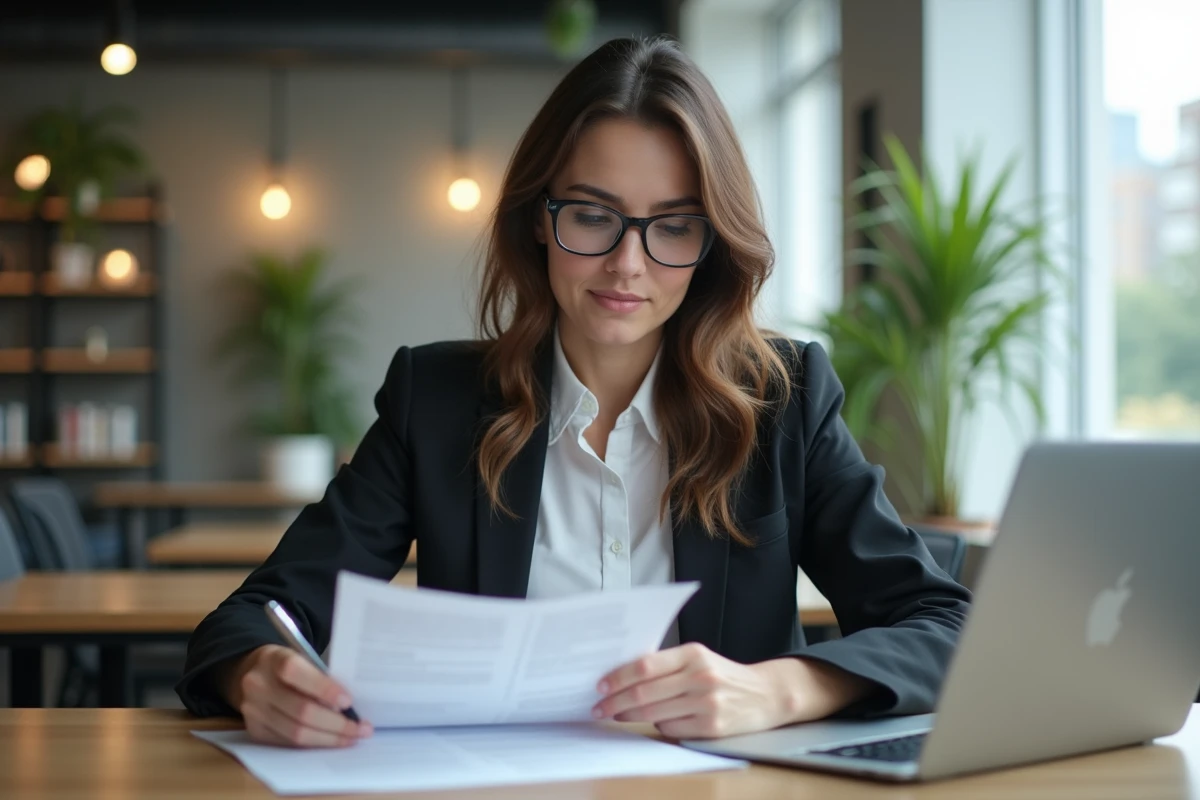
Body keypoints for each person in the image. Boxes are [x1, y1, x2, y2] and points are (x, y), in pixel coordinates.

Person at [177, 35, 970, 748]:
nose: (628, 264)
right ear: (537, 219)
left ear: (712, 244)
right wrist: (258, 678)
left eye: (673, 225)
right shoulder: (439, 401)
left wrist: (781, 686)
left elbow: (945, 625)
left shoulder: (783, 400)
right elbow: (252, 619)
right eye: (593, 216)